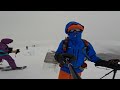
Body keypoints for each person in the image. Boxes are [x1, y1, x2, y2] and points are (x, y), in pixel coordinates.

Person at [54, 21, 120, 79]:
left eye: (77, 29)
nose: (75, 32)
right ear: (68, 32)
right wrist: (60, 57)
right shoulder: (64, 43)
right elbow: (57, 54)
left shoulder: (86, 44)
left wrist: (107, 63)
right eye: (72, 30)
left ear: (81, 31)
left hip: (78, 71)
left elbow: (93, 57)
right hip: (65, 70)